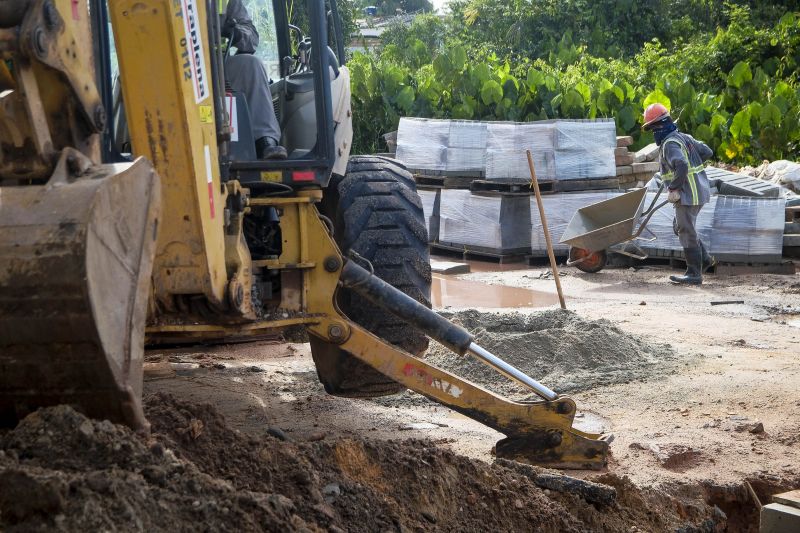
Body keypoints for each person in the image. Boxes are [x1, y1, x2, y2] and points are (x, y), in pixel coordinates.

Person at [643, 103, 715, 285]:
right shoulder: (683, 137)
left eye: (652, 129)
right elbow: (707, 151)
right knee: (682, 227)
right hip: (699, 191)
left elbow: (682, 165)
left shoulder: (669, 144)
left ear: (660, 126)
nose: (653, 133)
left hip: (687, 193)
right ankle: (704, 260)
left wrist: (674, 187)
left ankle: (694, 274)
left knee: (685, 230)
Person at [221, 0, 287, 159]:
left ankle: (265, 141)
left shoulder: (225, 2)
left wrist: (235, 32)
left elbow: (251, 36)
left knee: (251, 64)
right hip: (176, 68)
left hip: (218, 68)